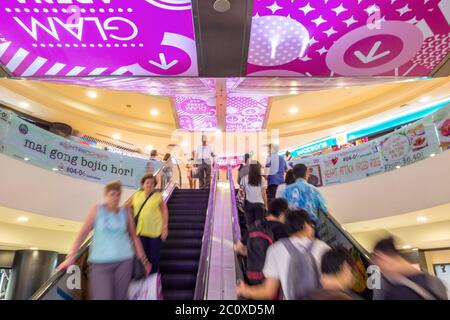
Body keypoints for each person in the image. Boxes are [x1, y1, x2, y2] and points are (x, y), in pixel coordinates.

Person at [57, 181, 151, 300]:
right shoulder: (97, 210)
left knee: (120, 297)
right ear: (106, 195)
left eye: (118, 195)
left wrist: (144, 260)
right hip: (100, 264)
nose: (116, 198)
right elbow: (82, 234)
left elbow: (134, 237)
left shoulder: (125, 212)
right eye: (112, 194)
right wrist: (70, 257)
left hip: (124, 262)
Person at [236, 210, 330, 300]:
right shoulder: (323, 247)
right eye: (311, 225)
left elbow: (268, 292)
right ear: (306, 225)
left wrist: (245, 290)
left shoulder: (276, 249)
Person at [372, 237, 448, 300]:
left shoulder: (398, 292)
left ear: (381, 257)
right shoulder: (435, 281)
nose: (381, 270)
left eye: (378, 265)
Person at [235, 198, 289, 285]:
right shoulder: (283, 229)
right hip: (273, 280)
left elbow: (238, 247)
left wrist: (253, 253)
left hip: (253, 277)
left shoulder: (256, 225)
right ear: (282, 214)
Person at [126, 173, 169, 274]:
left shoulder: (158, 196)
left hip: (155, 232)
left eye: (152, 183)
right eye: (147, 182)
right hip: (140, 232)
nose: (150, 185)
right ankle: (143, 278)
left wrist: (165, 227)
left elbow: (164, 211)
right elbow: (125, 207)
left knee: (154, 257)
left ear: (154, 186)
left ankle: (153, 279)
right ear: (143, 184)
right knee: (142, 257)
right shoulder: (136, 195)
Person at [241, 162, 268, 229]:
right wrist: (266, 206)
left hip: (248, 204)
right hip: (259, 205)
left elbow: (241, 192)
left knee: (250, 226)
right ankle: (258, 238)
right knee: (259, 227)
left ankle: (250, 238)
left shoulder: (244, 179)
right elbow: (264, 194)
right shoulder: (262, 179)